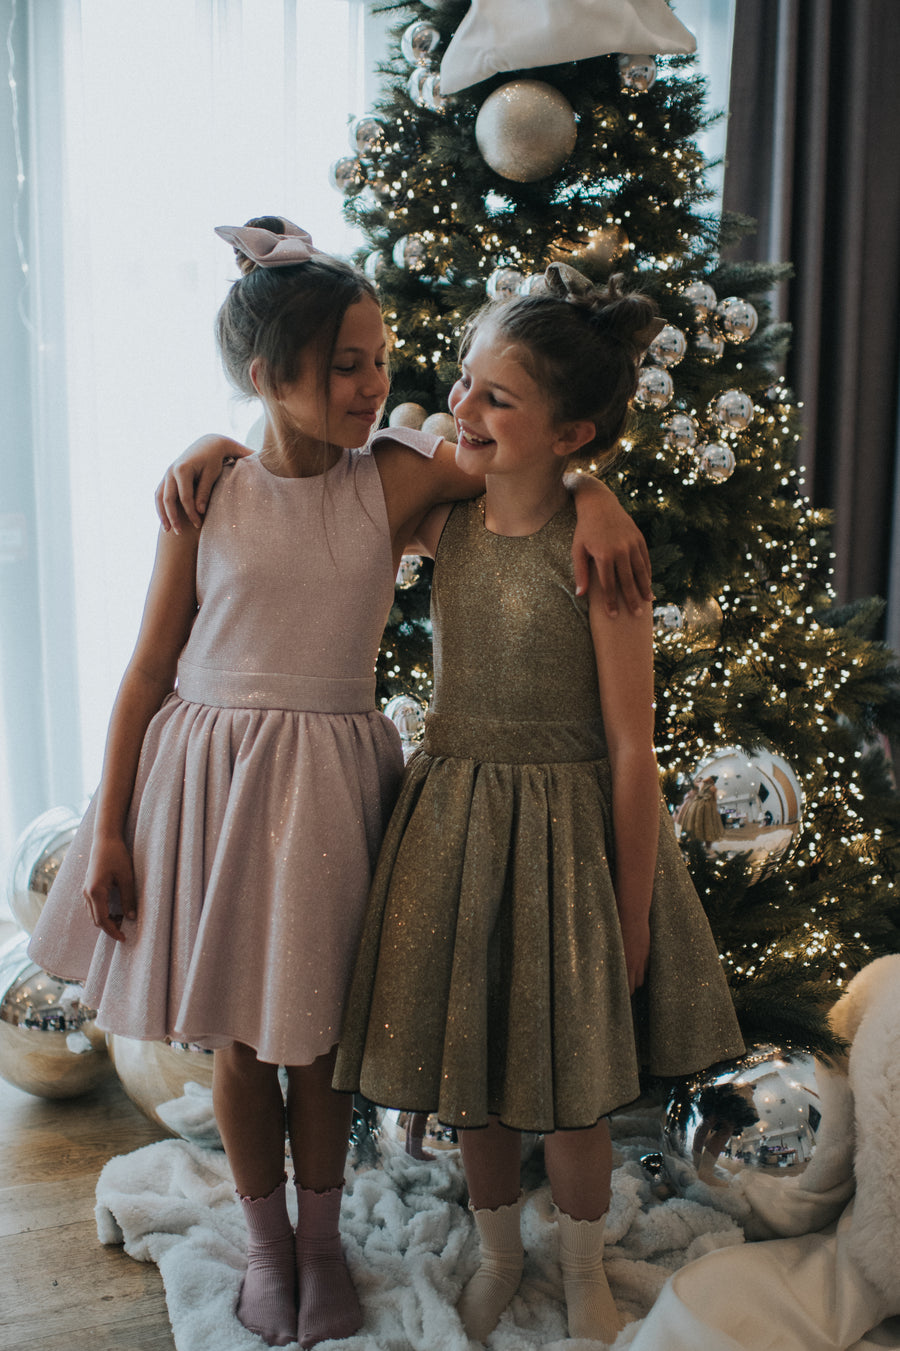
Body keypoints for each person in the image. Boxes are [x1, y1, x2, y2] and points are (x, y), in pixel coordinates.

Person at [29, 219, 651, 1350]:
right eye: (345, 364)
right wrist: (107, 828)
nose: (375, 383)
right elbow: (144, 671)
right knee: (238, 1046)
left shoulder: (400, 481)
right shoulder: (208, 491)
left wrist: (600, 492)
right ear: (268, 377)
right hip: (209, 786)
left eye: (381, 358)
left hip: (326, 791)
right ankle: (267, 1246)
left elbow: (527, 456)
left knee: (312, 1041)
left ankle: (321, 1245)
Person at [331, 263, 746, 1344]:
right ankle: (501, 1248)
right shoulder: (446, 520)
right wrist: (218, 448)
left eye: (495, 398)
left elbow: (628, 742)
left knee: (569, 1090)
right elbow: (368, 451)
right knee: (472, 1072)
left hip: (566, 841)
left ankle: (580, 1259)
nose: (463, 407)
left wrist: (637, 904)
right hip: (456, 826)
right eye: (465, 381)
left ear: (572, 435)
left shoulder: (597, 551)